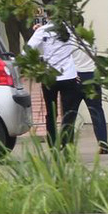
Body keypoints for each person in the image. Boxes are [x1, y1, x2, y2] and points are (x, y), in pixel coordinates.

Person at [29, 12, 85, 144]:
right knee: (69, 113)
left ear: (47, 16)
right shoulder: (70, 30)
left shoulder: (42, 31)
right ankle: (67, 144)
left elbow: (28, 50)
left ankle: (53, 144)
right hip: (69, 76)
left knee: (51, 113)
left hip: (49, 77)